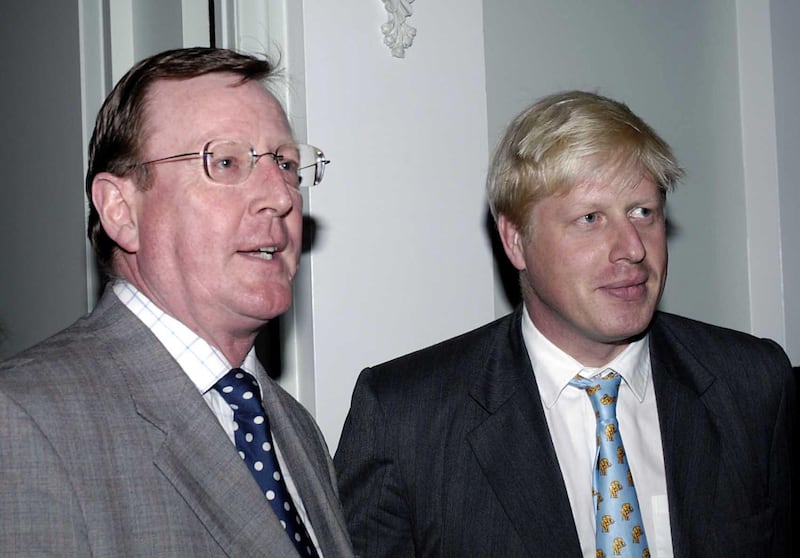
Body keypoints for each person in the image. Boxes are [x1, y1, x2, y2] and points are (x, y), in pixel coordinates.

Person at [334, 90, 795, 557]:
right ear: (515, 242)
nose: (632, 248)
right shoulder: (406, 417)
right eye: (591, 218)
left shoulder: (752, 383)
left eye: (643, 212)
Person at [0, 47, 354, 558]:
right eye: (227, 161)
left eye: (286, 163)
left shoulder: (296, 430)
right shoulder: (24, 423)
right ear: (121, 211)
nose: (281, 195)